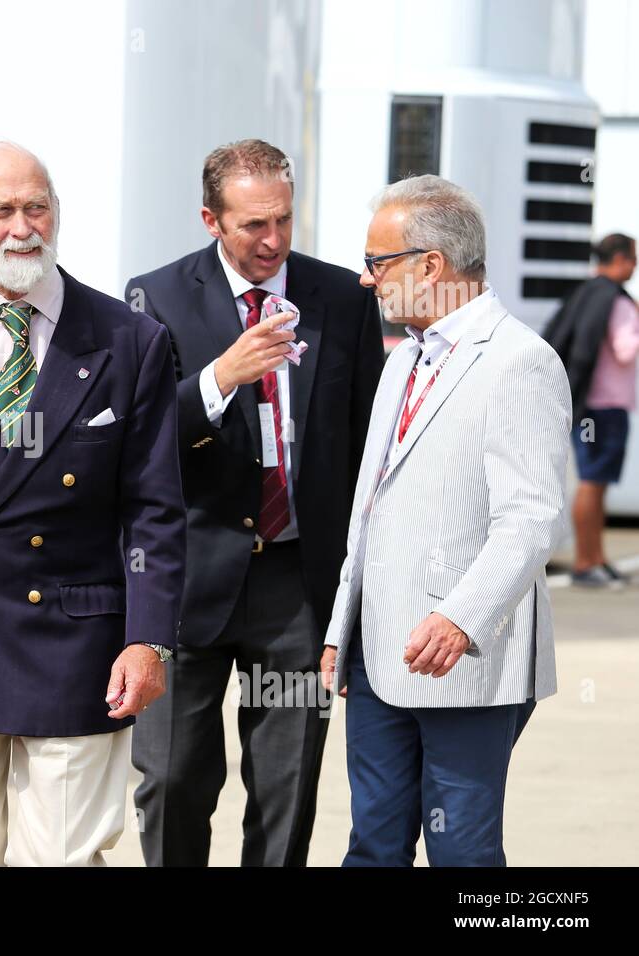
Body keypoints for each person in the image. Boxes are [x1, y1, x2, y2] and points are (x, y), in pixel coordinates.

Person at [0, 142, 185, 866]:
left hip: (75, 640)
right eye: (2, 210)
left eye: (37, 207)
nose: (23, 227)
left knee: (61, 859)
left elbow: (155, 510)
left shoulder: (130, 339)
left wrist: (149, 639)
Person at [124, 139, 383, 866]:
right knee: (172, 777)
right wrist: (221, 378)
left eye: (285, 221)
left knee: (287, 786)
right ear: (211, 218)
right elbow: (138, 443)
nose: (273, 241)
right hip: (188, 576)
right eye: (252, 226)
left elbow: (367, 443)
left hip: (297, 585)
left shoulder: (341, 299)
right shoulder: (155, 297)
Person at [321, 175, 569, 866]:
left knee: (461, 849)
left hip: (462, 655)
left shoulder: (520, 361)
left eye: (378, 263)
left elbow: (531, 520)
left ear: (430, 265)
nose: (368, 281)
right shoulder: (403, 360)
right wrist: (344, 623)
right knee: (373, 844)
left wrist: (460, 617)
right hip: (378, 653)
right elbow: (369, 508)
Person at [543, 233, 639, 588]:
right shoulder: (615, 300)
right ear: (619, 259)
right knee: (593, 482)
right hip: (603, 407)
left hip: (587, 406)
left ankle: (596, 557)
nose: (634, 265)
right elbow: (625, 350)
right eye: (632, 257)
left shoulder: (586, 292)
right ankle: (587, 562)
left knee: (596, 482)